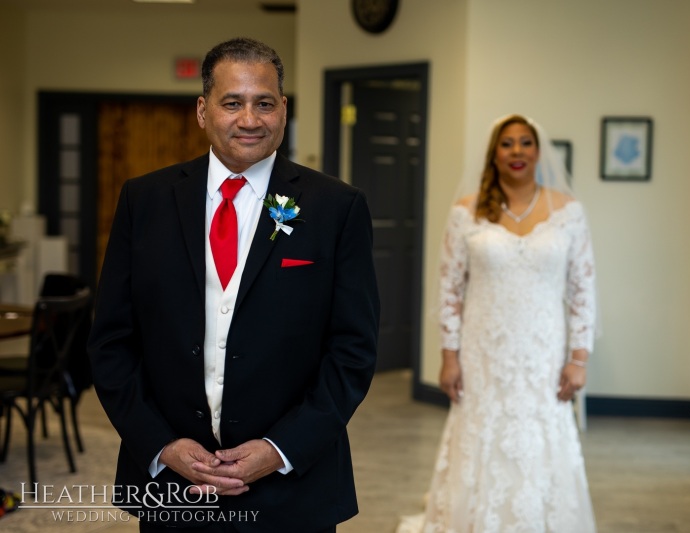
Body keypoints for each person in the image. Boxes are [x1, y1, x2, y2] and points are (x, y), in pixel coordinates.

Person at [88, 37, 380, 533]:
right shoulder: (145, 201)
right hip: (174, 488)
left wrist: (280, 449)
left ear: (283, 110)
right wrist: (160, 444)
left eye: (264, 103)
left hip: (293, 489)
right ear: (203, 110)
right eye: (232, 103)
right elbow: (112, 342)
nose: (250, 119)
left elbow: (353, 349)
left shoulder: (337, 208)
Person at [399, 114, 597, 532]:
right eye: (507, 144)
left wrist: (579, 358)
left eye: (525, 143)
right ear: (494, 154)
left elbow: (583, 288)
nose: (517, 152)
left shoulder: (568, 212)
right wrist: (449, 356)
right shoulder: (465, 212)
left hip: (544, 350)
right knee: (480, 436)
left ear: (538, 151)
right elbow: (449, 289)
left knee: (542, 437)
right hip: (482, 351)